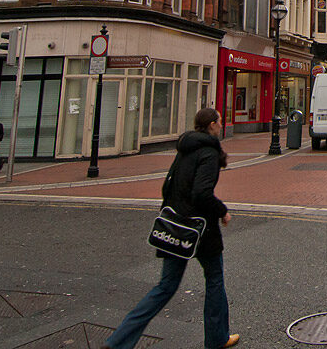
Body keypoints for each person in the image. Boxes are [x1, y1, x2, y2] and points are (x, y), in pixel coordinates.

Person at [101, 108, 239, 349]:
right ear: (212, 125)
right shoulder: (208, 152)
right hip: (200, 229)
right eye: (219, 121)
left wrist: (173, 213)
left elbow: (167, 187)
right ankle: (217, 338)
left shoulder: (185, 148)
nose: (221, 124)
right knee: (215, 279)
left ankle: (117, 342)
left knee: (165, 287)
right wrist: (222, 211)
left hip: (174, 226)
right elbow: (202, 193)